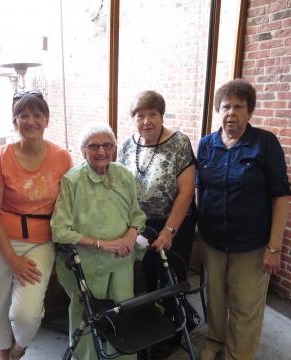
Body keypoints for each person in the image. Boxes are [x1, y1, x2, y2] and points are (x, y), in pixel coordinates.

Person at [197, 78, 291, 360]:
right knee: (215, 298)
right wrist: (199, 233)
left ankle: (238, 355)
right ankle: (214, 341)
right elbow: (201, 189)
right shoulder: (206, 144)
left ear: (250, 112)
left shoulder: (265, 143)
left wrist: (274, 247)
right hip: (213, 240)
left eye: (239, 107)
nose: (232, 113)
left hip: (251, 243)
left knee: (245, 305)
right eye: (226, 106)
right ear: (218, 110)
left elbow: (281, 197)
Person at [0, 90, 73, 360]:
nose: (30, 120)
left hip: (40, 242)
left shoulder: (62, 158)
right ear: (14, 122)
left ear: (47, 120)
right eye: (23, 115)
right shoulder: (0, 157)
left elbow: (68, 205)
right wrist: (11, 258)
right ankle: (3, 355)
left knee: (26, 313)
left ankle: (19, 347)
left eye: (37, 114)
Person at [51, 122, 146, 360]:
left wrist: (130, 235)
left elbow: (138, 214)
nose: (101, 151)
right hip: (87, 264)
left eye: (107, 145)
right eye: (93, 146)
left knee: (123, 312)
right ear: (83, 150)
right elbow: (60, 230)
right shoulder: (72, 181)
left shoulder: (123, 175)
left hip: (122, 258)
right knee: (87, 316)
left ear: (114, 148)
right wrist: (102, 244)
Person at [117, 90, 197, 358]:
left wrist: (169, 230)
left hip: (175, 222)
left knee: (171, 277)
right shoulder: (128, 144)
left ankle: (174, 332)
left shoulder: (179, 143)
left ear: (162, 115)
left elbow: (186, 192)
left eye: (152, 114)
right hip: (143, 224)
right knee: (151, 277)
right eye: (140, 115)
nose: (146, 121)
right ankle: (155, 328)